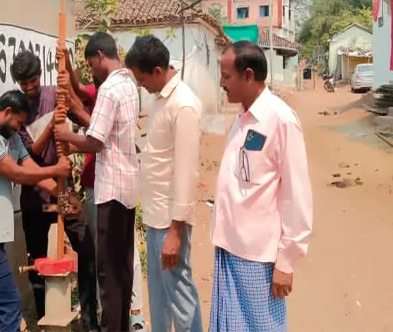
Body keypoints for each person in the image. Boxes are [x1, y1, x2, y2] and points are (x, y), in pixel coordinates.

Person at [210, 41, 313, 332]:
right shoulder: (243, 118)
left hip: (258, 258)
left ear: (248, 76)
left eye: (226, 76)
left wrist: (286, 262)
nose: (221, 83)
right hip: (229, 247)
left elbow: (297, 195)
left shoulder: (281, 120)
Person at [0, 90, 72, 332]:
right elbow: (18, 174)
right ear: (7, 112)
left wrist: (60, 193)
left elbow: (31, 170)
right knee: (10, 307)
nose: (20, 128)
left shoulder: (11, 137)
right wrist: (56, 169)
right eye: (18, 122)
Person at [54, 31, 140, 332]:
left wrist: (66, 136)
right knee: (121, 269)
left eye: (91, 64)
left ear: (101, 56)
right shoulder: (129, 84)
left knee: (108, 274)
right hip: (127, 188)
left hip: (111, 191)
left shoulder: (109, 89)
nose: (92, 70)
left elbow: (96, 141)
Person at [9, 50, 99, 332]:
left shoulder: (55, 95)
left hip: (63, 193)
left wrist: (69, 98)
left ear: (40, 75)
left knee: (86, 246)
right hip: (35, 195)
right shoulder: (16, 109)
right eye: (24, 83)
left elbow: (86, 118)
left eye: (33, 80)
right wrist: (51, 124)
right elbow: (31, 155)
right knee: (37, 261)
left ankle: (89, 319)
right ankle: (44, 320)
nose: (29, 87)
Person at [124, 35, 203, 332]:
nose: (140, 85)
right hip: (155, 216)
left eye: (142, 79)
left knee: (180, 296)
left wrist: (175, 232)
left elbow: (186, 173)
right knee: (159, 297)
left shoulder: (183, 105)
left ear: (157, 71)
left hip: (171, 221)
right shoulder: (160, 100)